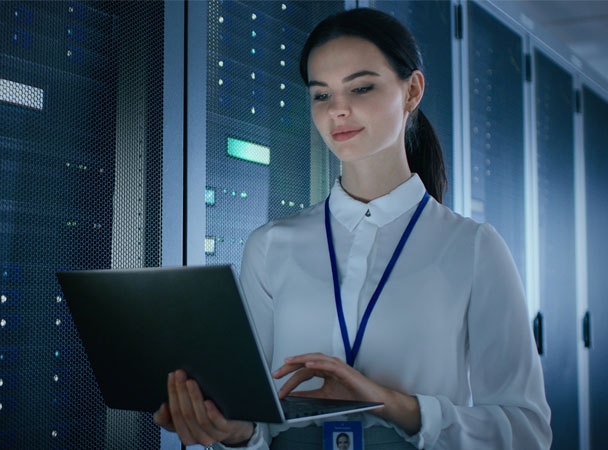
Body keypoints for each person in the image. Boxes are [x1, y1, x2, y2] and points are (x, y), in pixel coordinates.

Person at [154, 7, 551, 449]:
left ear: (412, 91)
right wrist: (234, 432)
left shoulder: (473, 248)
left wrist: (395, 405)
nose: (337, 110)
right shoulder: (271, 246)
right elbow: (259, 415)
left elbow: (526, 430)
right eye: (321, 95)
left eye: (361, 87)